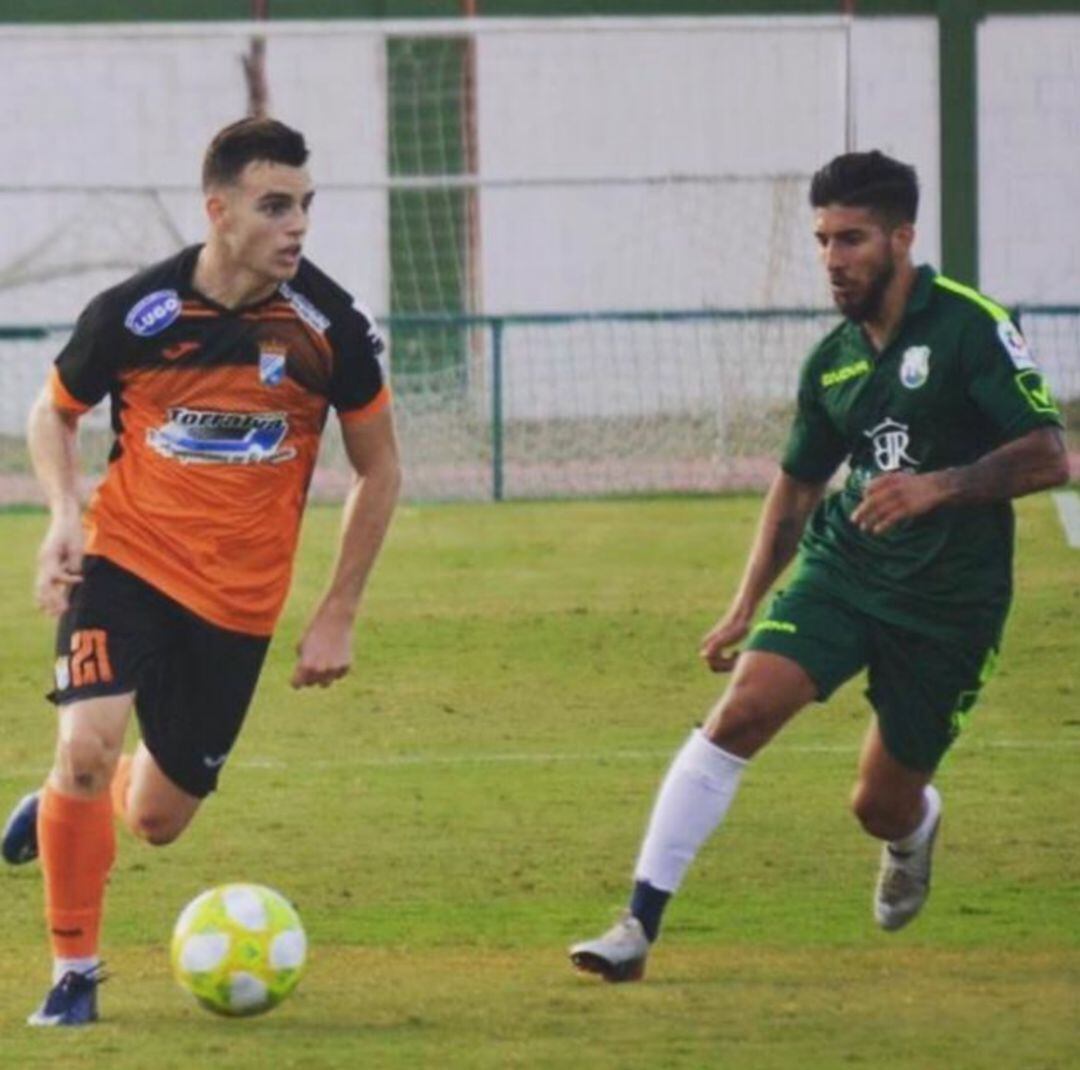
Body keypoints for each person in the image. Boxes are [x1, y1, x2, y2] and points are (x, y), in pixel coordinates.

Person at [569, 150, 1069, 982]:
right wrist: (743, 606)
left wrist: (940, 488)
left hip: (952, 601)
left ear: (902, 238)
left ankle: (912, 831)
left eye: (853, 240)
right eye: (824, 242)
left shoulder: (969, 326)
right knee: (740, 714)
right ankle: (636, 926)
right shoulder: (832, 361)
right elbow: (798, 489)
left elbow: (1051, 455)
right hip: (847, 569)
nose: (835, 261)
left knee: (878, 805)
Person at [0, 117, 401, 1024]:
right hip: (126, 563)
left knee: (154, 820)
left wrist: (338, 609)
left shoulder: (327, 326)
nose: (296, 224)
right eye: (274, 206)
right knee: (89, 744)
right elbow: (50, 411)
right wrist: (65, 513)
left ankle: (64, 803)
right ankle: (73, 973)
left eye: (304, 205)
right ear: (219, 212)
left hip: (238, 604)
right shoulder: (137, 313)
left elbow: (382, 468)